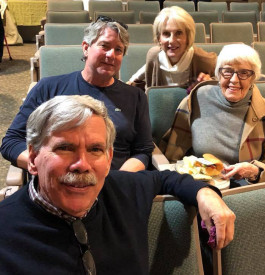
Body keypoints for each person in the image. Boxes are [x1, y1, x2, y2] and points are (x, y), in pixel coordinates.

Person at [0, 95, 235, 274]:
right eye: (65, 148)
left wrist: (206, 193)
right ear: (32, 158)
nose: (82, 165)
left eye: (95, 150)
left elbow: (166, 178)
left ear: (110, 158)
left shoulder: (122, 189)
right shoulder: (6, 229)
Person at [0, 16, 153, 172]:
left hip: (114, 186)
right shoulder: (48, 88)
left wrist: (118, 180)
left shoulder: (136, 97)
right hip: (57, 186)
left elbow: (143, 151)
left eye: (118, 49)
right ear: (86, 48)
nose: (111, 55)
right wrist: (48, 167)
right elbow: (12, 142)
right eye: (104, 46)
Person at [161, 44, 265, 184]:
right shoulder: (196, 99)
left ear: (253, 77)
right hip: (199, 184)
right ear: (218, 74)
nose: (234, 80)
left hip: (244, 188)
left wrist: (254, 171)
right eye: (227, 71)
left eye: (244, 73)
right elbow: (173, 148)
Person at [128, 6, 217, 90]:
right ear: (159, 38)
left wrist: (210, 84)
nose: (172, 40)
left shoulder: (203, 60)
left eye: (178, 33)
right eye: (166, 33)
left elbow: (222, 84)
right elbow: (134, 80)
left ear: (188, 37)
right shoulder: (154, 56)